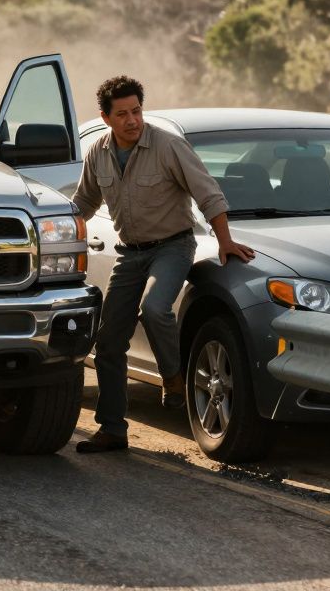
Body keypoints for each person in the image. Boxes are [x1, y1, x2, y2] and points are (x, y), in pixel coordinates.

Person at [72, 76, 255, 453]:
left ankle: (172, 377)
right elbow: (83, 205)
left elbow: (208, 193)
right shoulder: (98, 154)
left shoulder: (169, 145)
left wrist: (225, 241)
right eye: (122, 114)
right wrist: (56, 235)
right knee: (107, 343)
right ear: (105, 117)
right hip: (128, 252)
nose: (132, 120)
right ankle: (112, 429)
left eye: (136, 110)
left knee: (155, 309)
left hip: (172, 247)